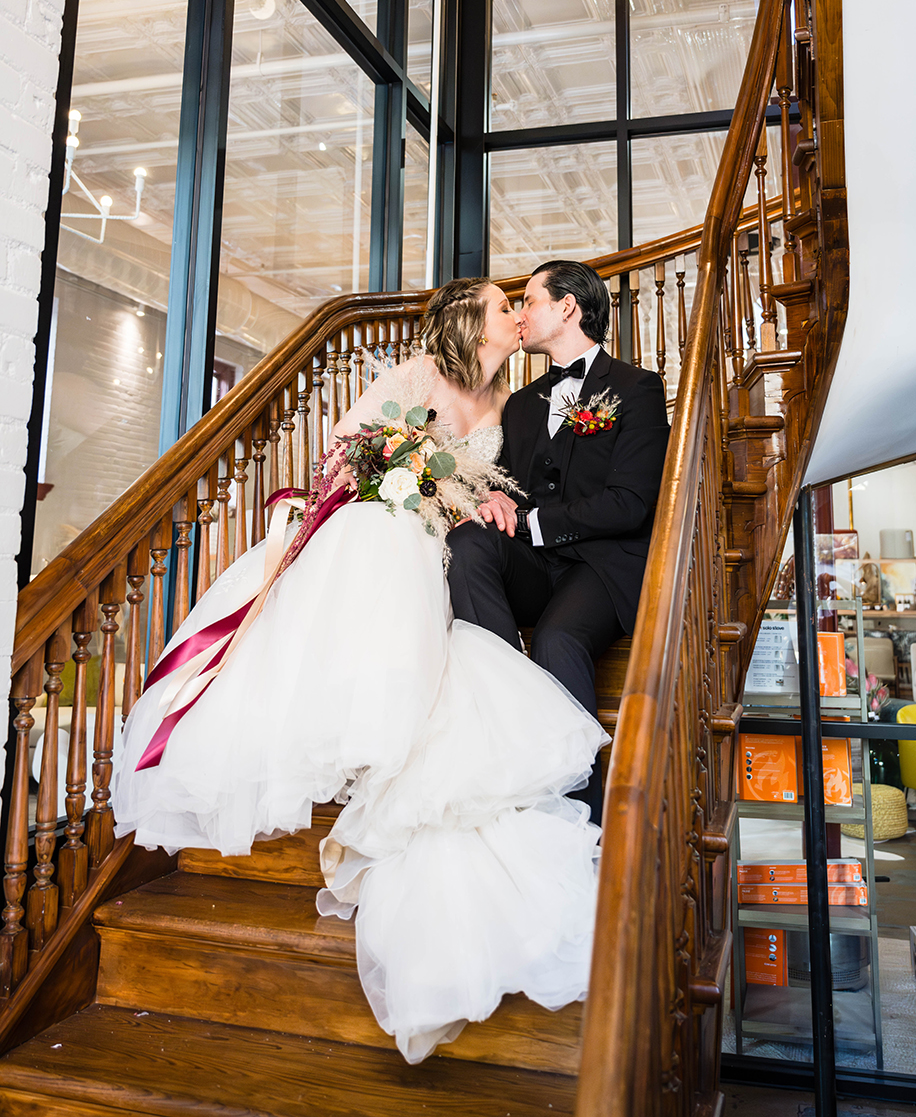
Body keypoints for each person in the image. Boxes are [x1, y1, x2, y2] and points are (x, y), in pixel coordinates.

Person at [112, 278, 606, 1065]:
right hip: (398, 517)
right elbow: (344, 454)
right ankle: (353, 713)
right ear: (469, 322)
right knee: (380, 538)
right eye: (502, 307)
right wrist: (402, 480)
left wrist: (484, 504)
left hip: (454, 534)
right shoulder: (414, 377)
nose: (517, 315)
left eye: (523, 305)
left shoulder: (512, 403)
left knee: (429, 556)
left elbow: (497, 487)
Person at [447, 260, 670, 823]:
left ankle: (583, 815)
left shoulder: (636, 388)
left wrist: (535, 524)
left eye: (530, 300)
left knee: (556, 640)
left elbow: (632, 502)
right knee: (470, 543)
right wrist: (493, 504)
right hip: (535, 563)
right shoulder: (520, 404)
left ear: (567, 307)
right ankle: (502, 701)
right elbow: (512, 493)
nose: (521, 314)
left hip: (599, 567)